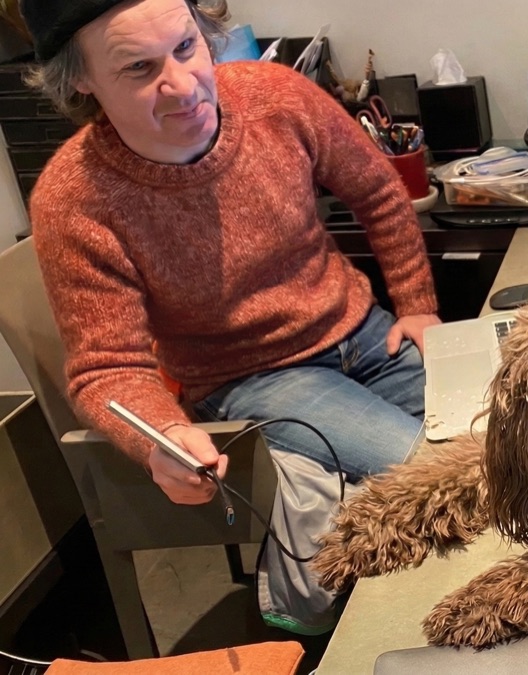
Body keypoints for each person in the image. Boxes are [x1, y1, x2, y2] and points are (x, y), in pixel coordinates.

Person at [21, 0, 441, 506]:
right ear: (81, 79)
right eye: (139, 67)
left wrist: (417, 304)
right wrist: (163, 436)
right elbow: (105, 369)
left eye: (184, 46)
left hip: (368, 334)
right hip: (254, 380)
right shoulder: (76, 199)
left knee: (525, 432)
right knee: (432, 473)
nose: (184, 85)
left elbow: (377, 190)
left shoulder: (274, 97)